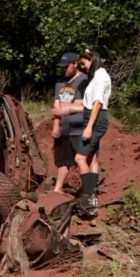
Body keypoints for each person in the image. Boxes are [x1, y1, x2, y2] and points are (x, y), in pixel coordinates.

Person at [53, 48, 111, 217]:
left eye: (84, 61)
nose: (83, 64)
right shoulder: (95, 76)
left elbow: (97, 103)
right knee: (84, 156)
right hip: (88, 120)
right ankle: (90, 195)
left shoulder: (98, 77)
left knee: (81, 157)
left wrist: (88, 126)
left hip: (92, 120)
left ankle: (89, 195)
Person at [50, 52, 88, 193]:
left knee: (82, 160)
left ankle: (88, 190)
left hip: (79, 129)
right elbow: (57, 105)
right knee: (62, 161)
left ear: (75, 64)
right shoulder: (60, 83)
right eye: (62, 67)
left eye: (66, 67)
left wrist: (71, 108)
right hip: (64, 128)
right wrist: (56, 125)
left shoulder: (84, 81)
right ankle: (57, 189)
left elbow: (88, 105)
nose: (64, 70)